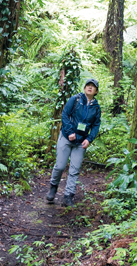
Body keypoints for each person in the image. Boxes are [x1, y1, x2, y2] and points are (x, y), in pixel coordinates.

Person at [46, 78, 101, 207]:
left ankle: (68, 196)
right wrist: (70, 131)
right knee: (60, 166)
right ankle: (53, 188)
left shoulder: (96, 108)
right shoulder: (75, 99)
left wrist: (89, 139)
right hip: (66, 137)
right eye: (88, 85)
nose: (90, 87)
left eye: (93, 86)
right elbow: (64, 115)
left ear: (96, 91)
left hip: (81, 142)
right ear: (84, 87)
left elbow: (96, 125)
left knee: (74, 170)